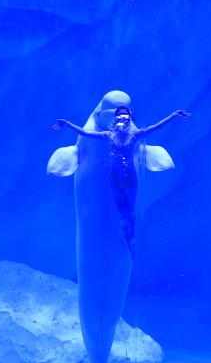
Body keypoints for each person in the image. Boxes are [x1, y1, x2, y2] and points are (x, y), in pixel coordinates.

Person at [53, 106, 190, 257]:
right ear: (115, 120)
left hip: (130, 178)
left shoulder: (135, 134)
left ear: (130, 120)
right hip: (115, 177)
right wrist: (67, 123)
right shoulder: (108, 135)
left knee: (130, 210)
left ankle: (131, 241)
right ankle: (126, 240)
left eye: (126, 118)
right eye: (119, 118)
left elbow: (156, 127)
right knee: (122, 210)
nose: (122, 121)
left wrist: (173, 115)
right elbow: (85, 133)